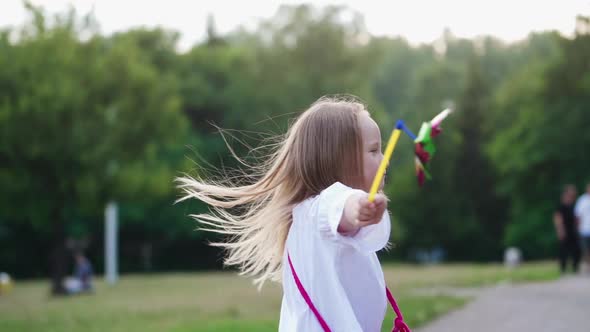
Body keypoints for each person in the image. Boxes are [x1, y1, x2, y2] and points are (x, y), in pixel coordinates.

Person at [177, 96, 404, 331]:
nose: (385, 159)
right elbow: (339, 206)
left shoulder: (311, 215)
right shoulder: (318, 211)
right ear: (338, 159)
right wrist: (356, 208)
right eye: (374, 150)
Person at [553, 184, 581, 274]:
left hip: (573, 231)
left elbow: (577, 218)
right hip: (565, 230)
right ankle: (563, 269)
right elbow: (557, 218)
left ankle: (575, 267)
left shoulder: (574, 205)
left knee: (576, 250)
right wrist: (560, 230)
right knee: (563, 250)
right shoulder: (561, 206)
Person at [575, 183, 590, 273]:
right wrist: (578, 228)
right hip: (584, 229)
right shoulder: (582, 200)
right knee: (586, 250)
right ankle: (588, 266)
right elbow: (578, 215)